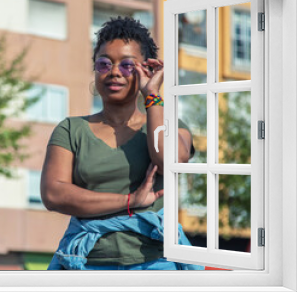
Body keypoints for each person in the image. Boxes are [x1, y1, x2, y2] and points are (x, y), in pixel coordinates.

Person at [40, 16, 203, 270]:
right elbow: (53, 194)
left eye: (127, 65)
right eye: (104, 64)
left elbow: (165, 161)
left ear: (147, 69)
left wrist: (152, 96)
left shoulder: (171, 124)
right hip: (86, 266)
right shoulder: (71, 130)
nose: (114, 72)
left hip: (155, 265)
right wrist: (130, 201)